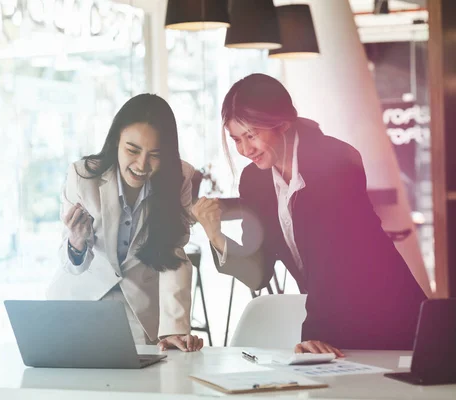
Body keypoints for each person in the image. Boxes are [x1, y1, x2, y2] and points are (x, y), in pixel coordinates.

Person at [192, 73, 426, 354]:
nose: (244, 150)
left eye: (251, 135)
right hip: (336, 329)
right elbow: (259, 273)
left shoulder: (336, 160)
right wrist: (216, 236)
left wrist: (314, 334)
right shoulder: (254, 181)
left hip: (389, 315)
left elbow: (335, 259)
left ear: (282, 123)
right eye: (236, 140)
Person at [46, 93, 203, 352]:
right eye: (132, 150)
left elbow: (173, 253)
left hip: (139, 312)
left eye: (155, 154)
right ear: (116, 140)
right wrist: (76, 241)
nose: (142, 164)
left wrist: (174, 328)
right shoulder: (83, 176)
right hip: (79, 303)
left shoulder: (180, 178)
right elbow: (71, 263)